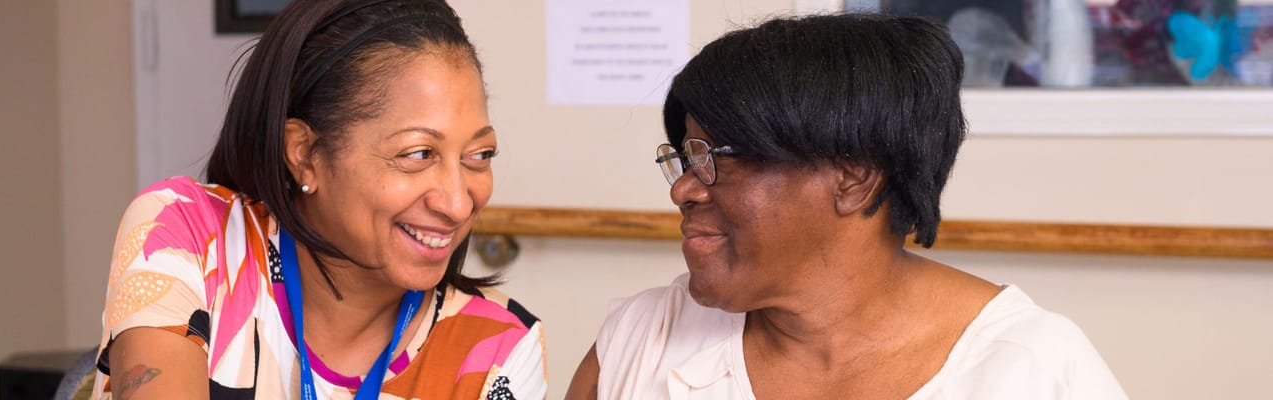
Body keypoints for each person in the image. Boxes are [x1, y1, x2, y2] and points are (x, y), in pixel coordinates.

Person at [566, 14, 1126, 400]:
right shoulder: (643, 342)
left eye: (718, 155)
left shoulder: (1029, 370)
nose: (684, 188)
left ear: (855, 177)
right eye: (688, 156)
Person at [90, 1, 545, 399]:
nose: (458, 203)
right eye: (417, 154)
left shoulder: (497, 347)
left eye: (478, 155)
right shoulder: (186, 238)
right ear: (304, 153)